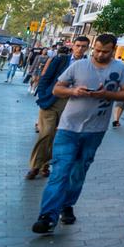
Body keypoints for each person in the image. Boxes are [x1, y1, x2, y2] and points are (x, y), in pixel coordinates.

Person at [31, 34, 124, 234]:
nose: (99, 54)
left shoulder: (121, 69)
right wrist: (74, 91)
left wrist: (106, 94)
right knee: (60, 170)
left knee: (79, 171)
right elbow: (57, 89)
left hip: (95, 131)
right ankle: (47, 216)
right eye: (96, 50)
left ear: (113, 50)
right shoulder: (78, 66)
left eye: (105, 51)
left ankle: (67, 204)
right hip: (68, 128)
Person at [26, 38, 89, 179]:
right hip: (51, 101)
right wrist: (42, 95)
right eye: (77, 45)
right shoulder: (61, 60)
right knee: (46, 133)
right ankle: (35, 166)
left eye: (83, 46)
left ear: (87, 48)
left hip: (72, 104)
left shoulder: (88, 65)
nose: (79, 49)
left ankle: (45, 165)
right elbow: (46, 77)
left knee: (56, 137)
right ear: (73, 46)